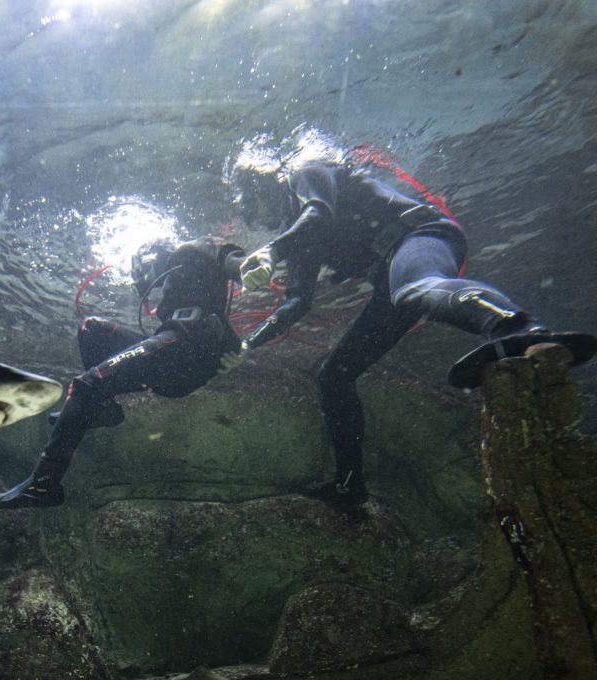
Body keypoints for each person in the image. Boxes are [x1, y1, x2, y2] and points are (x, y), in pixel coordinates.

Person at [228, 151, 596, 508]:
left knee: (414, 289)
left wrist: (271, 251)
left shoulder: (305, 169)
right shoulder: (301, 240)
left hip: (422, 234)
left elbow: (319, 213)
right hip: (394, 275)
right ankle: (349, 484)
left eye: (248, 203)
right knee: (335, 375)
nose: (253, 217)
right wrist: (247, 345)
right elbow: (296, 302)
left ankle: (523, 330)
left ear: (261, 181)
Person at [0, 236, 246, 509]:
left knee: (87, 384)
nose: (139, 280)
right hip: (171, 352)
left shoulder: (190, 252)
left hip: (182, 353)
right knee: (91, 328)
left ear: (149, 258)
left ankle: (43, 483)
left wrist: (234, 350)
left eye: (138, 269)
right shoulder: (183, 279)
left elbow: (232, 261)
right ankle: (101, 409)